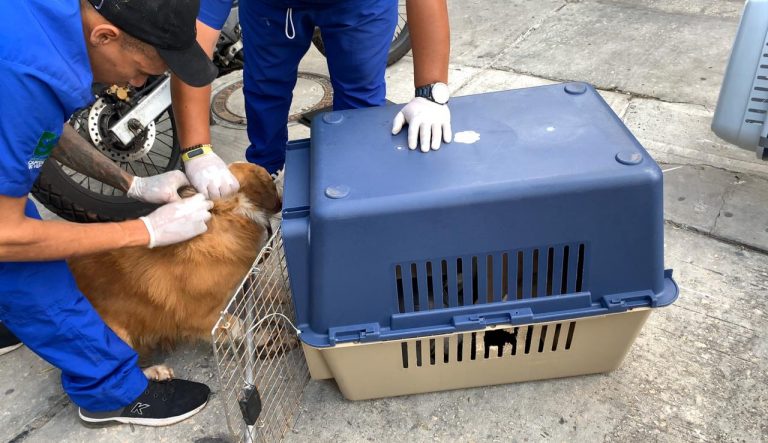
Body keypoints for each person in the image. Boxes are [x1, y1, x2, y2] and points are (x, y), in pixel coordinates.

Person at [0, 0, 223, 427]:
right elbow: (6, 236)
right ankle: (109, 392)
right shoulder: (21, 73)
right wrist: (143, 231)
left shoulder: (50, 19)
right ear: (106, 37)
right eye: (142, 70)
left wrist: (131, 183)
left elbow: (41, 124)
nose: (139, 82)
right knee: (27, 269)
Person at [168, 0, 452, 199]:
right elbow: (191, 43)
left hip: (358, 5)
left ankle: (352, 197)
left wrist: (430, 92)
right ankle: (263, 186)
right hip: (272, 7)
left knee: (359, 109)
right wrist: (196, 151)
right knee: (265, 94)